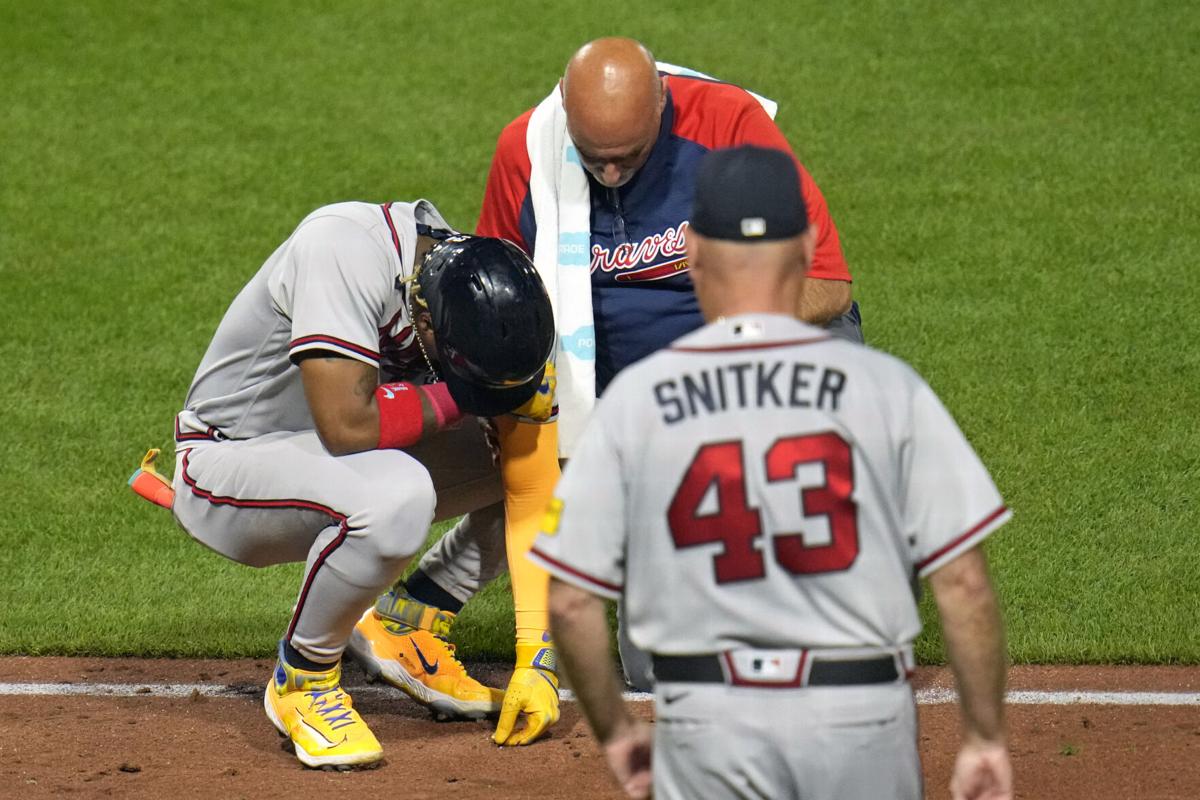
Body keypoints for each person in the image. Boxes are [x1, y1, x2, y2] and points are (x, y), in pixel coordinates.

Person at [357, 36, 862, 702]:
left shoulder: (731, 129)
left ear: (663, 106)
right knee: (661, 669)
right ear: (566, 110)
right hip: (613, 386)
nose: (614, 174)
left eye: (630, 157)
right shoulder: (529, 155)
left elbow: (826, 287)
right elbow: (509, 320)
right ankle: (416, 605)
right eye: (597, 159)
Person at [533, 146, 1013, 800]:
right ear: (808, 245)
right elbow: (964, 584)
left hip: (709, 727)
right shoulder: (887, 389)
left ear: (693, 251)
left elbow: (568, 597)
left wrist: (617, 732)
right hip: (860, 721)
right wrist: (985, 736)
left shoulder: (636, 402)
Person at [164, 199, 555, 768]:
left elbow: (534, 485)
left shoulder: (491, 302)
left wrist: (534, 656)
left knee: (552, 453)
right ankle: (304, 678)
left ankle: (411, 619)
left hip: (337, 465)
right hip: (229, 467)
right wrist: (465, 397)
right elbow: (347, 426)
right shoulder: (343, 247)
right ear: (427, 322)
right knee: (397, 492)